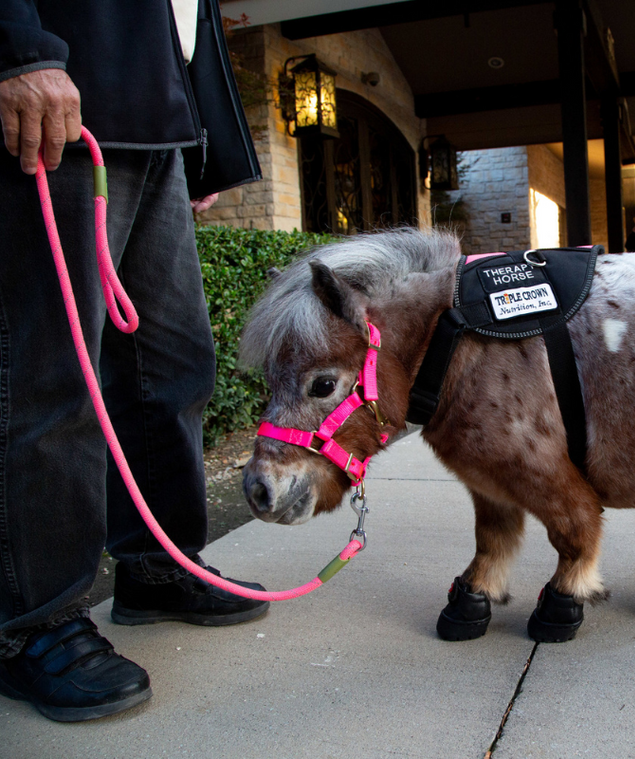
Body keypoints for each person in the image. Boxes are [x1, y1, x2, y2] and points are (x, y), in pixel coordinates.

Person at [0, 0, 265, 723]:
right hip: (62, 99)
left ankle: (156, 564)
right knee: (55, 377)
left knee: (173, 366)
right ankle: (34, 621)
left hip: (155, 123)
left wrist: (199, 129)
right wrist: (18, 45)